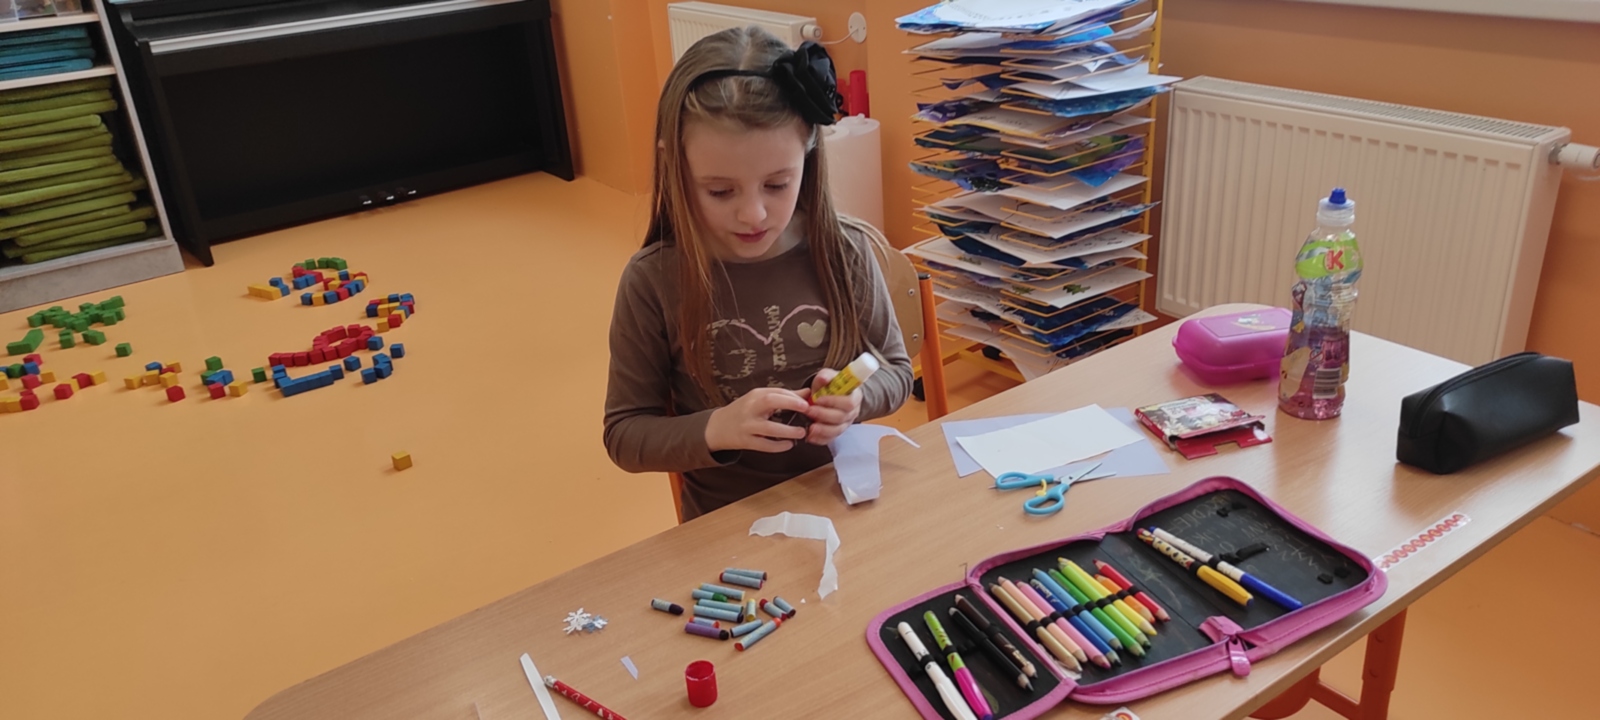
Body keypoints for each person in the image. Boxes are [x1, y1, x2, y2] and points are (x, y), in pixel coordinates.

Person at [603, 27, 912, 521]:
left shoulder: (844, 249)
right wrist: (717, 429)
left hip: (847, 500)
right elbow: (624, 434)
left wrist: (857, 399)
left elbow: (895, 370)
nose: (754, 215)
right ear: (675, 167)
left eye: (777, 184)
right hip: (728, 524)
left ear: (808, 155)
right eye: (720, 191)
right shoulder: (654, 280)